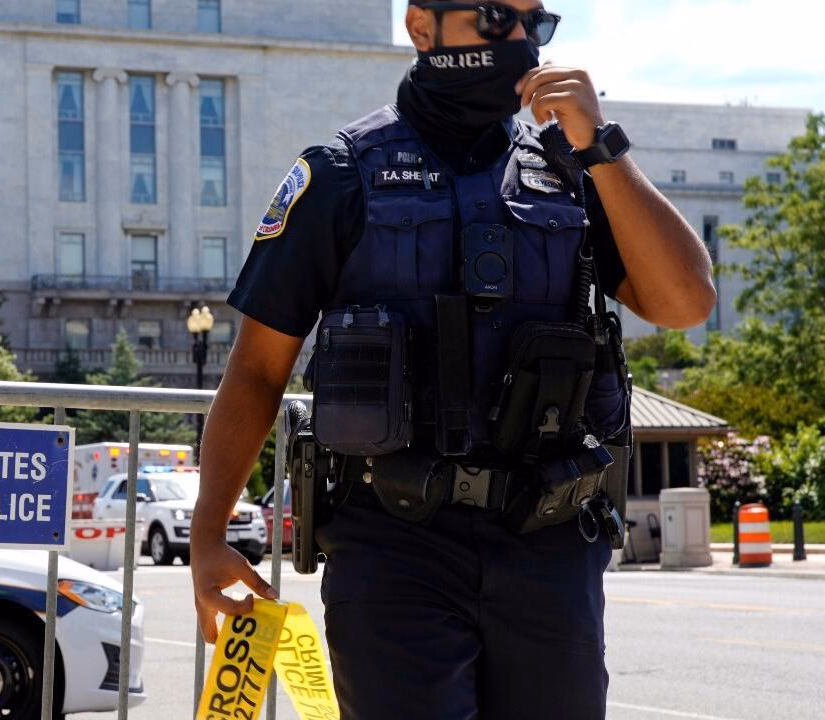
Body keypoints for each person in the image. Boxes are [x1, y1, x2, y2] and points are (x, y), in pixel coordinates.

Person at [190, 1, 717, 718]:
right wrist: (209, 533)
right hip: (394, 547)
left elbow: (686, 302)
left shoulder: (573, 170)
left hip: (547, 543)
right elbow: (256, 368)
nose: (521, 40)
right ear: (421, 27)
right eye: (497, 18)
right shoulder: (341, 174)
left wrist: (605, 149)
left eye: (537, 24)